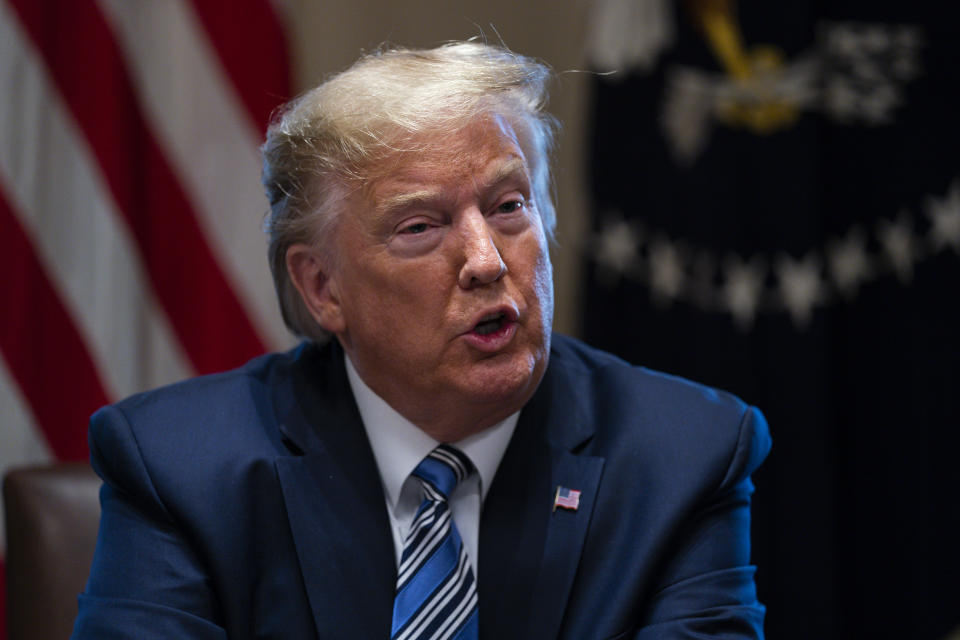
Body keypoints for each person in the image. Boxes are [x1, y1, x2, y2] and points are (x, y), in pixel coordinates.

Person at [72, 41, 771, 640]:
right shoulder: (180, 467)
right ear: (322, 287)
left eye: (508, 207)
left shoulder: (682, 456)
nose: (487, 260)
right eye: (419, 227)